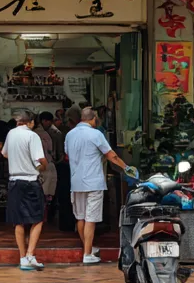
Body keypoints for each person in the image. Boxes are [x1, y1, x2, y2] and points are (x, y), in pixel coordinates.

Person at [65, 106, 129, 264]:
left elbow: (68, 154)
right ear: (93, 119)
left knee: (80, 218)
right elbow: (111, 155)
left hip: (76, 181)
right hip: (93, 182)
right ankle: (87, 254)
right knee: (91, 219)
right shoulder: (96, 134)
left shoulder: (70, 134)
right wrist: (126, 168)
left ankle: (88, 247)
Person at [2, 109, 47, 271]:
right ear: (31, 122)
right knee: (38, 218)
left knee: (18, 221)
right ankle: (30, 255)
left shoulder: (11, 134)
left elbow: (5, 154)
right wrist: (43, 166)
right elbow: (40, 160)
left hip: (14, 181)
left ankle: (22, 258)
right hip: (30, 181)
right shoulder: (32, 136)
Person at [34, 114, 58, 211]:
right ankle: (43, 217)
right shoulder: (46, 134)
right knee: (46, 194)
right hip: (48, 165)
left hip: (37, 166)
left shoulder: (32, 134)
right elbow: (51, 151)